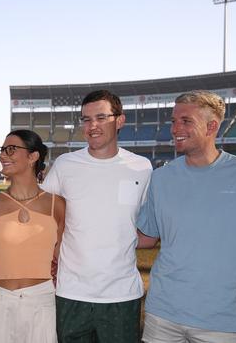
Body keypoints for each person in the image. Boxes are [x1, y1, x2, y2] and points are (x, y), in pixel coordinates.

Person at [136, 90, 236, 343]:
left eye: (185, 121)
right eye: (173, 121)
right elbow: (146, 237)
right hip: (163, 314)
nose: (175, 128)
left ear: (211, 126)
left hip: (224, 320)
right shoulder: (161, 178)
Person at [41, 90, 152, 343]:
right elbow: (45, 219)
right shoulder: (65, 165)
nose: (92, 126)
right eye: (86, 119)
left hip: (121, 295)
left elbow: (148, 230)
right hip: (71, 292)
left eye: (101, 117)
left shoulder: (142, 167)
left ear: (119, 120)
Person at [0, 129, 65, 343]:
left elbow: (63, 256)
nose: (3, 155)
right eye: (2, 150)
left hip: (41, 304)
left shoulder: (56, 205)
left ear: (33, 157)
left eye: (11, 150)